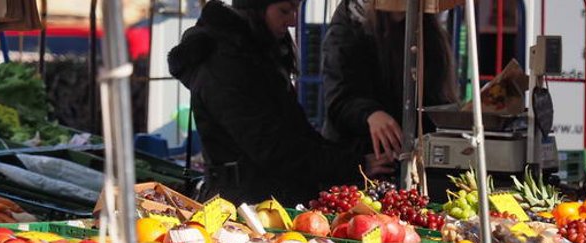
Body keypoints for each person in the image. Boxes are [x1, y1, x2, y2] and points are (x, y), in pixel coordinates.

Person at [168, 0, 394, 206]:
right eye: (285, 10)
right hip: (245, 207)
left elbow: (297, 133)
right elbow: (273, 148)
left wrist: (351, 161)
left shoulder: (255, 55)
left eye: (295, 10)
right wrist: (353, 165)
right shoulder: (227, 66)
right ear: (255, 9)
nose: (293, 21)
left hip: (266, 198)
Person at [321, 0, 459, 163]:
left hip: (409, 156)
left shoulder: (426, 31)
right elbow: (338, 95)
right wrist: (370, 114)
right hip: (360, 157)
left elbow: (434, 96)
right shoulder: (350, 24)